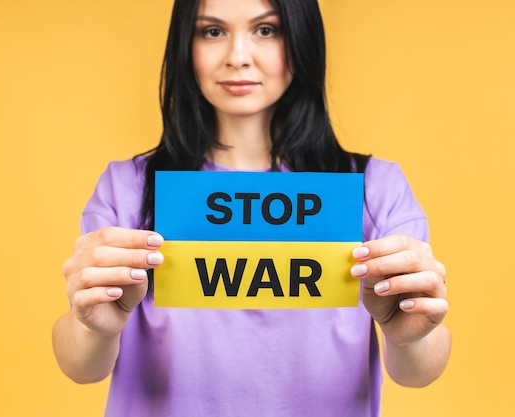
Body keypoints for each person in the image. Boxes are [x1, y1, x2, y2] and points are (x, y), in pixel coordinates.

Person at [52, 0, 451, 415]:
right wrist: (93, 325)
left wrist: (408, 334)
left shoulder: (373, 187)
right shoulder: (128, 188)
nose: (238, 57)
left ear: (301, 38)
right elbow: (81, 368)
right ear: (185, 45)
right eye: (212, 31)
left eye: (266, 30)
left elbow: (416, 372)